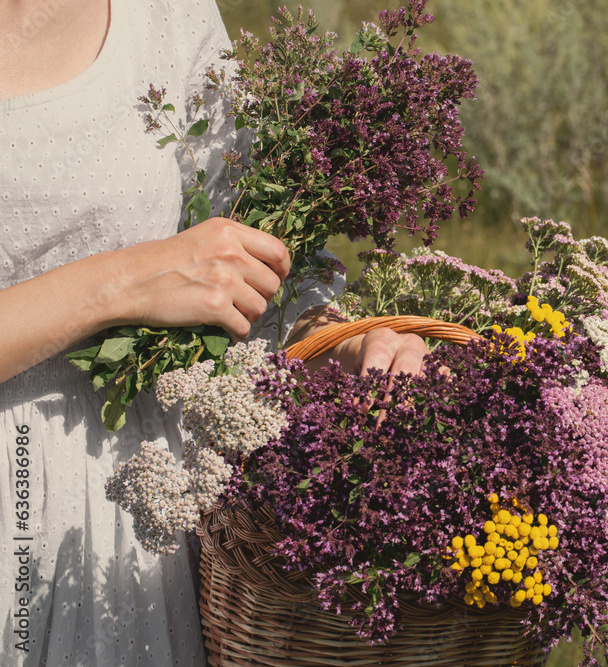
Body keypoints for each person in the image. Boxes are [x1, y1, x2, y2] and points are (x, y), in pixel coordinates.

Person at [0, 1, 428, 663]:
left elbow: (247, 264)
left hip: (141, 526)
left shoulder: (166, 13)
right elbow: (163, 273)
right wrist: (121, 284)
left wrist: (344, 342)